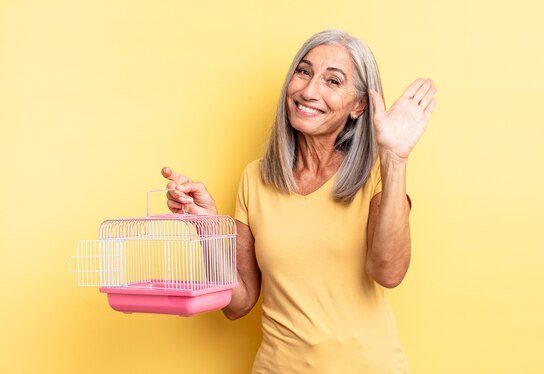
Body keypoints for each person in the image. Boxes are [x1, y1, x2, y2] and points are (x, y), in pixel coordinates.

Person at [162, 29, 436, 373]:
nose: (308, 90)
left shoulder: (378, 175)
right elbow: (238, 304)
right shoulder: (255, 178)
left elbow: (389, 272)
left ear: (358, 106)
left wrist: (394, 159)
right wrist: (207, 228)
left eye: (332, 81)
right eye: (304, 71)